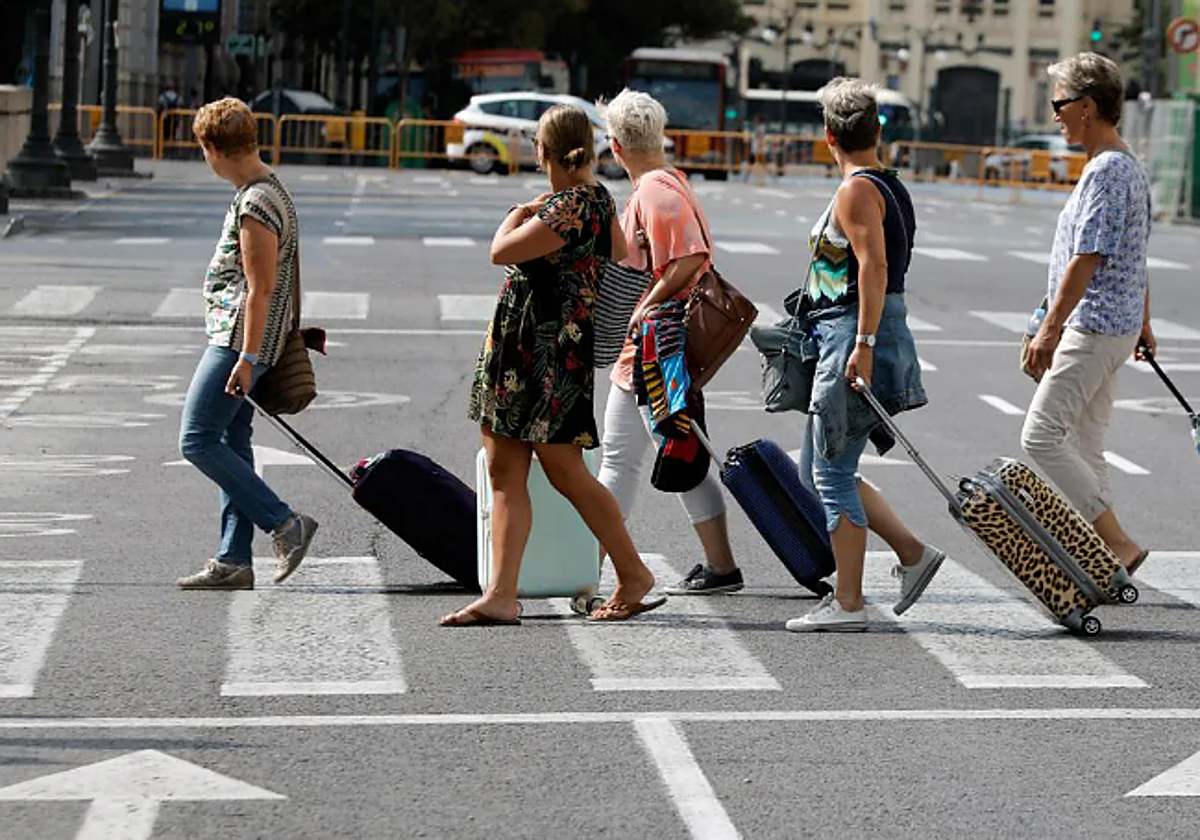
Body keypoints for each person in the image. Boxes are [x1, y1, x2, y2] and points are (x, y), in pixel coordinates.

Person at [443, 104, 664, 626]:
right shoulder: (598, 200)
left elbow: (501, 251)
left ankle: (626, 574)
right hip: (560, 350)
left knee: (524, 474)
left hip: (532, 350)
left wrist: (518, 214)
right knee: (537, 472)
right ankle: (505, 592)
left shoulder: (566, 207)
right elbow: (617, 247)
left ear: (542, 151)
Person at [785, 78, 948, 632]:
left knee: (829, 472)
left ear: (828, 136)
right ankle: (911, 553)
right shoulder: (889, 184)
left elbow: (872, 267)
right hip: (856, 331)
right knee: (820, 467)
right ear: (877, 130)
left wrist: (863, 345)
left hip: (853, 335)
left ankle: (849, 604)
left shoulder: (856, 191)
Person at [596, 88, 744, 596]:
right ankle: (720, 566)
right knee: (667, 453)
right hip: (649, 346)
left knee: (651, 457)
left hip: (656, 347)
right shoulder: (663, 182)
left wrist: (642, 309)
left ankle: (590, 565)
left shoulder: (656, 190)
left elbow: (688, 260)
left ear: (615, 146)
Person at [176, 98, 318, 590]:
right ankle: (234, 559)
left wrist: (247, 359)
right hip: (244, 338)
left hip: (239, 339)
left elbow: (260, 289)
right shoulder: (268, 187)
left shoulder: (257, 202)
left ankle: (283, 522)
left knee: (195, 439)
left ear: (214, 149)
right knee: (232, 442)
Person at [1021, 52, 1154, 574]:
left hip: (1093, 325)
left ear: (1088, 105)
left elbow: (1090, 257)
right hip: (1115, 326)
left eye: (1060, 104)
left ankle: (1116, 541)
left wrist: (1049, 330)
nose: (1054, 115)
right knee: (1086, 443)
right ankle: (1104, 550)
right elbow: (1134, 254)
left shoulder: (1107, 172)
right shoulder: (1125, 167)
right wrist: (1143, 322)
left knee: (1041, 435)